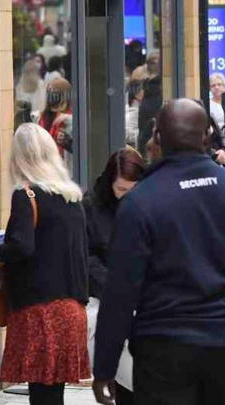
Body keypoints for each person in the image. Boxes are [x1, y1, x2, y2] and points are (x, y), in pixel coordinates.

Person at [92, 99, 225, 405]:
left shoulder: (141, 202)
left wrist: (104, 366)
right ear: (207, 136)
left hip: (163, 349)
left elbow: (120, 291)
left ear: (157, 139)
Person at [0, 123, 89, 404]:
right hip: (71, 310)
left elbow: (22, 246)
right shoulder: (72, 197)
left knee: (41, 395)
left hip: (39, 311)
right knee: (54, 394)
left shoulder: (26, 195)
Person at [84, 148, 145, 405]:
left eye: (132, 190)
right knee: (122, 384)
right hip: (110, 301)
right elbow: (86, 257)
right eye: (121, 190)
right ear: (110, 183)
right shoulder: (92, 206)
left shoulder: (150, 202)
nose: (126, 196)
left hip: (146, 305)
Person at [38, 77, 74, 172]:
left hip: (65, 170)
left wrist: (69, 143)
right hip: (47, 169)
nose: (54, 103)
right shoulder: (42, 118)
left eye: (57, 97)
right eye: (51, 97)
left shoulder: (72, 119)